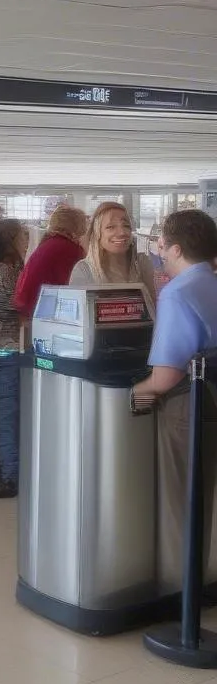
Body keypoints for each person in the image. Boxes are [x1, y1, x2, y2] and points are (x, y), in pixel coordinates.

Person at [131, 210, 217, 592]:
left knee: (181, 499)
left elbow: (165, 378)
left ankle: (182, 592)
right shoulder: (212, 284)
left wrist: (134, 392)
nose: (159, 251)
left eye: (163, 244)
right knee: (204, 494)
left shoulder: (177, 292)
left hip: (189, 406)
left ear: (177, 248)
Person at [0, 219, 29, 499]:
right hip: (7, 347)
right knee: (9, 411)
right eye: (21, 236)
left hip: (19, 346)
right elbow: (13, 308)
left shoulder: (18, 268)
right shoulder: (3, 271)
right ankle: (10, 475)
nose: (26, 239)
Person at [69, 202, 157, 305]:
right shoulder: (84, 269)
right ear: (97, 233)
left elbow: (153, 308)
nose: (122, 232)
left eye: (126, 226)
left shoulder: (143, 264)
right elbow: (77, 316)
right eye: (111, 227)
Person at [13, 205, 88, 317]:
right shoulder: (69, 249)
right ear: (76, 225)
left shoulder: (50, 242)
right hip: (46, 310)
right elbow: (74, 284)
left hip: (32, 307)